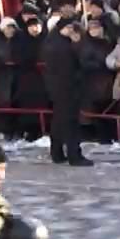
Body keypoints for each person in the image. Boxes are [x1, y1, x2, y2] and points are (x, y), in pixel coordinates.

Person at [42, 18, 93, 166]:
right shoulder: (63, 45)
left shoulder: (51, 41)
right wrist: (77, 44)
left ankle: (57, 152)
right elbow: (77, 61)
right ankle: (74, 155)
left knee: (58, 120)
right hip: (67, 87)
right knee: (70, 122)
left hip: (57, 87)